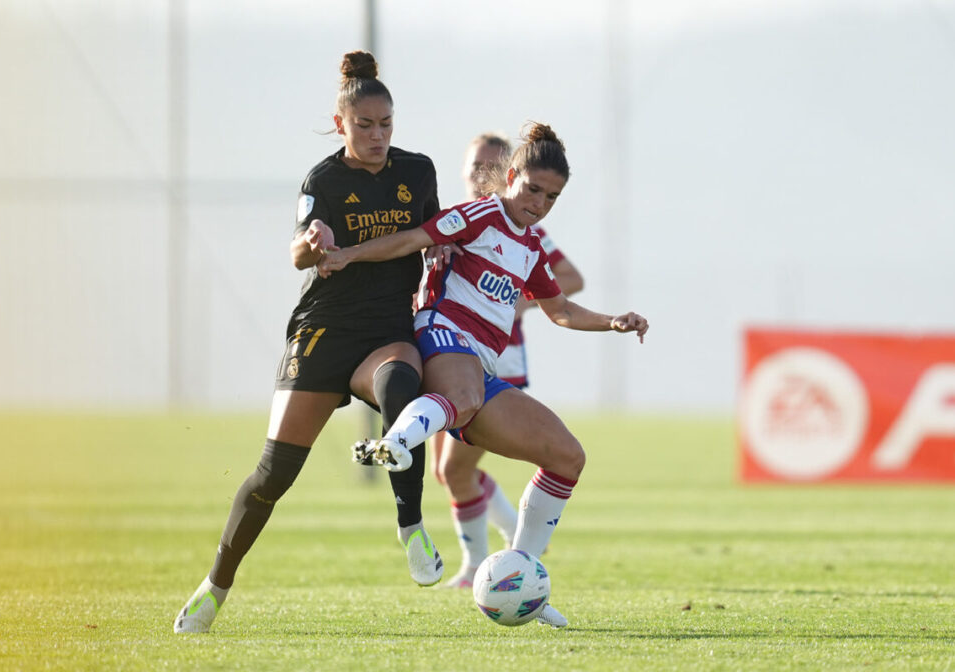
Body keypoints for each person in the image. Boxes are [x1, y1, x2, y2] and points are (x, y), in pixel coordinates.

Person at [317, 122, 649, 628]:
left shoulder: (532, 247)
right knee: (464, 403)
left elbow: (559, 310)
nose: (539, 203)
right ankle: (399, 438)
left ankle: (523, 579)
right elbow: (411, 239)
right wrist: (348, 254)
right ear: (510, 175)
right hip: (440, 330)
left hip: (482, 366)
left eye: (552, 197)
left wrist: (612, 321)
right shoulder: (480, 214)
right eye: (533, 189)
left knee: (566, 456)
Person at [174, 51, 445, 634]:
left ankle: (411, 526)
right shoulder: (323, 179)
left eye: (386, 125)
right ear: (341, 123)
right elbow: (299, 248)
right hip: (324, 329)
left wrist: (444, 249)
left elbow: (432, 232)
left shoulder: (418, 172)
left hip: (386, 329)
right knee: (273, 475)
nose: (377, 136)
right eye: (365, 125)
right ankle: (215, 585)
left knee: (402, 385)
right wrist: (313, 241)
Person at [431, 133, 585, 589]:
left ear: (507, 173)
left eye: (490, 165)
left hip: (499, 361)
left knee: (455, 468)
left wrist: (523, 302)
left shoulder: (525, 226)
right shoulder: (459, 222)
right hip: (451, 354)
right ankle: (503, 547)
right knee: (448, 471)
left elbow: (570, 279)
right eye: (475, 165)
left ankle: (490, 560)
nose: (482, 173)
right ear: (463, 171)